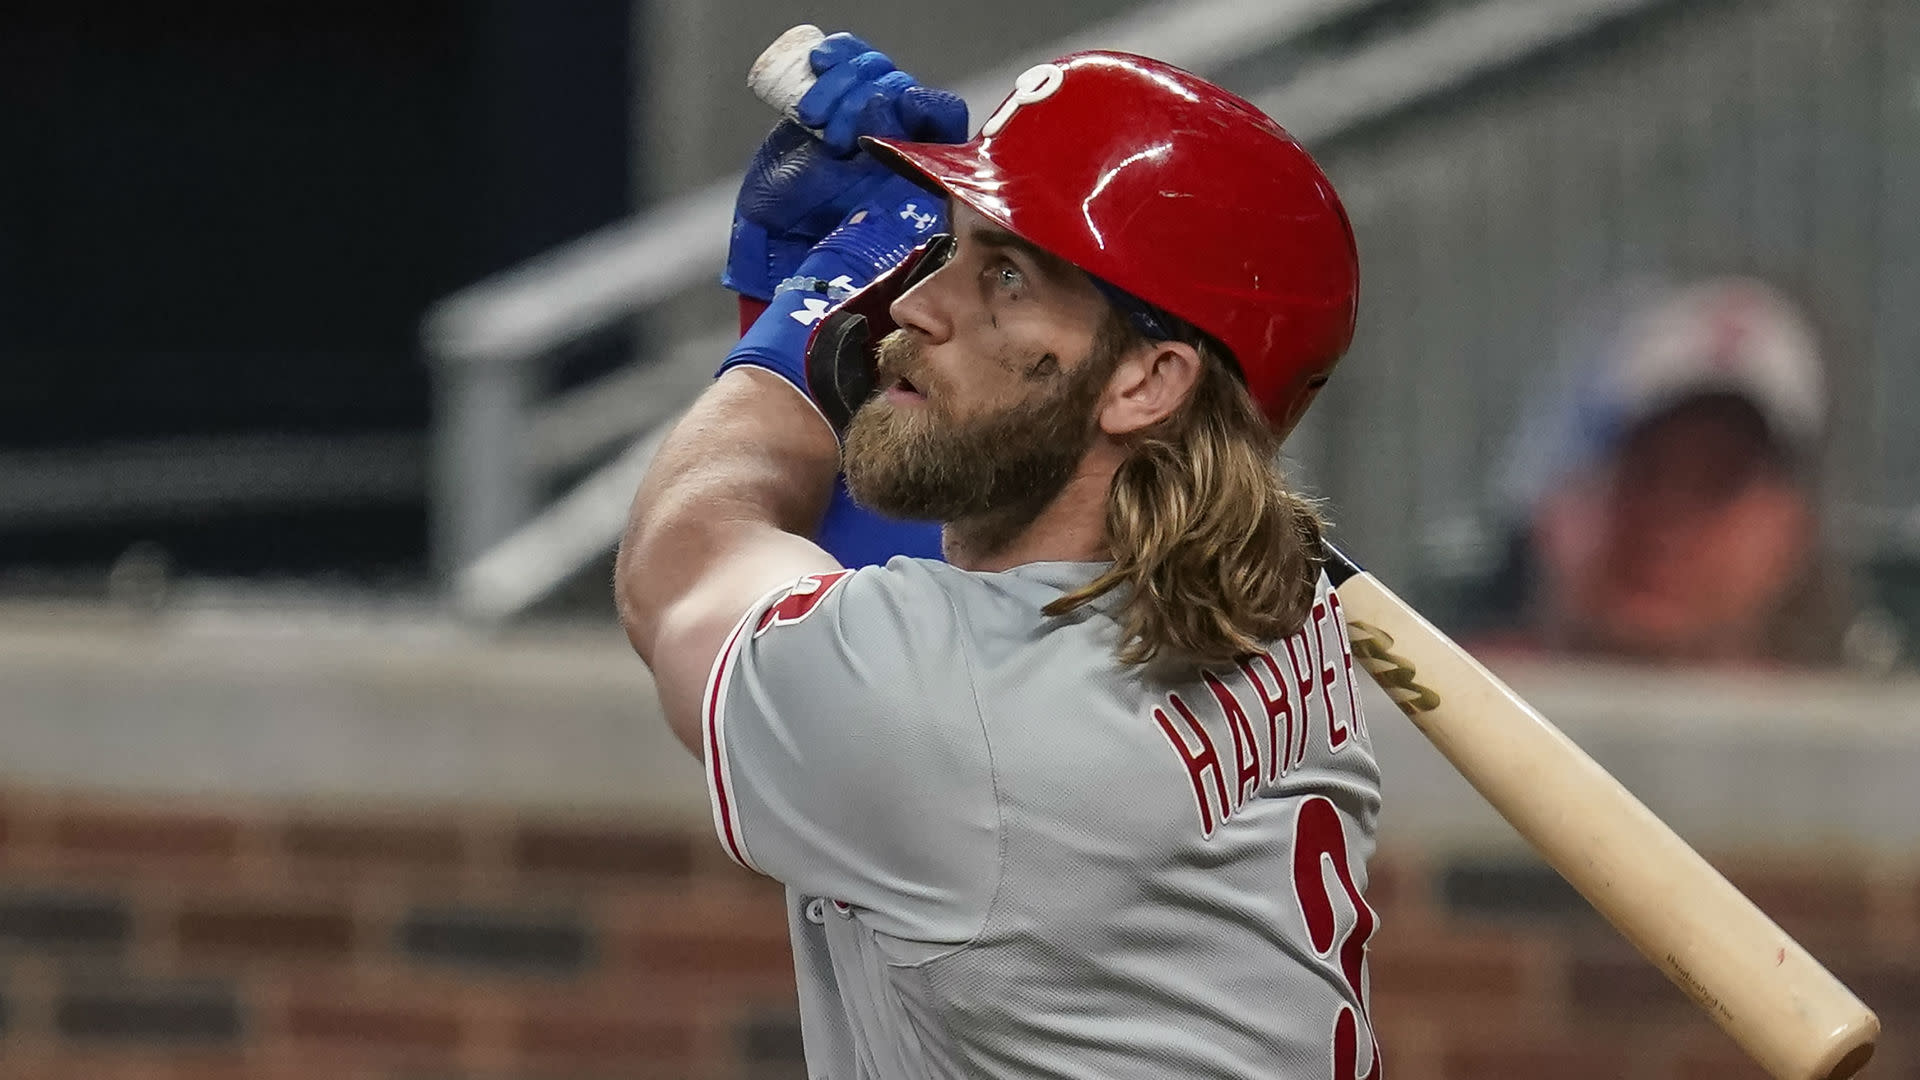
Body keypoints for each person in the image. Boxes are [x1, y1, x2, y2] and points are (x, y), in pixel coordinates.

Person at [616, 35, 1380, 1079]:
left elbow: (682, 567)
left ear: (1149, 381)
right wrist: (840, 334)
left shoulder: (969, 721)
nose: (916, 301)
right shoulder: (1280, 594)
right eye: (950, 247)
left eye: (1006, 277)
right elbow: (912, 571)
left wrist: (805, 313)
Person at [1484, 277, 1855, 666]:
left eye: (1718, 483)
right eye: (1641, 472)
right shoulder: (1434, 699)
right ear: (1553, 499)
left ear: (1792, 529)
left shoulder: (1869, 721)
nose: (1667, 524)